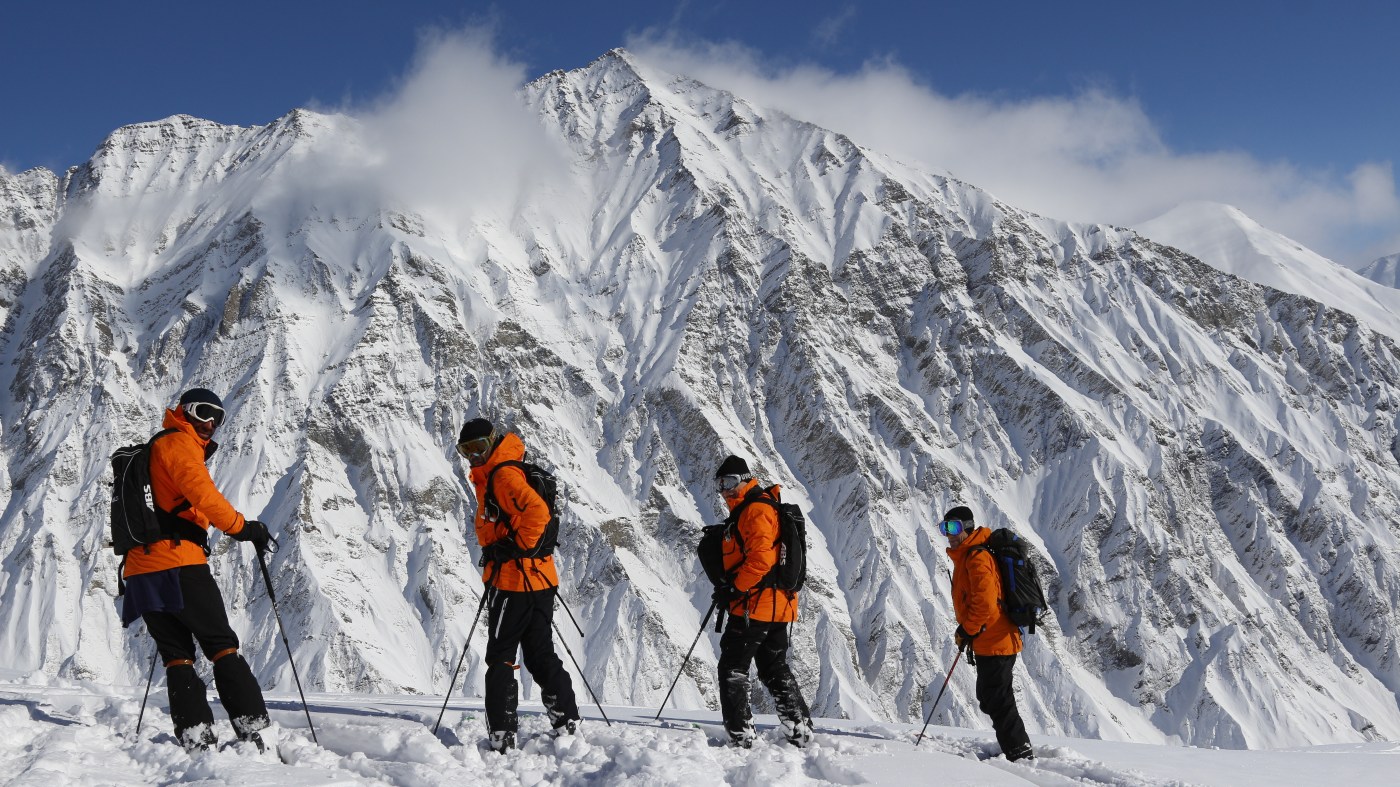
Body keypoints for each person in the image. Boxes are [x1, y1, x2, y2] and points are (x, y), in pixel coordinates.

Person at [120, 388, 275, 753]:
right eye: (205, 413)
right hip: (178, 563)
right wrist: (243, 528)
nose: (211, 423)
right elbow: (204, 496)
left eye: (218, 418)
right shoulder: (177, 445)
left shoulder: (154, 450)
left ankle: (196, 739)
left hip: (141, 571)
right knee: (221, 645)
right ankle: (256, 731)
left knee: (177, 655)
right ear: (185, 412)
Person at [457, 417, 580, 753]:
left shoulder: (503, 475)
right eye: (465, 451)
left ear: (493, 441)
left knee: (501, 658)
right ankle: (567, 721)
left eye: (479, 447)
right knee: (540, 655)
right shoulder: (508, 468)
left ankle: (501, 734)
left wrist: (514, 547)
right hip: (541, 579)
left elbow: (537, 514)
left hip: (513, 581)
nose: (473, 457)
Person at [710, 454, 813, 748]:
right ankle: (799, 728)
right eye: (719, 484)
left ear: (745, 479)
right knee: (773, 666)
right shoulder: (755, 507)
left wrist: (734, 589)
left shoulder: (754, 511)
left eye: (729, 482)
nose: (724, 490)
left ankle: (741, 735)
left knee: (732, 667)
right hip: (777, 604)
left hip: (755, 605)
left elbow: (760, 560)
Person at [940, 505, 1034, 762]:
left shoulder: (977, 558)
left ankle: (1020, 752)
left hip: (996, 640)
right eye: (944, 528)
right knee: (991, 697)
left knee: (997, 698)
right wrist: (969, 632)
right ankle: (1015, 748)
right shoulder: (968, 556)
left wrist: (967, 630)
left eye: (954, 527)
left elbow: (986, 603)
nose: (948, 534)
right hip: (989, 640)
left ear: (967, 526)